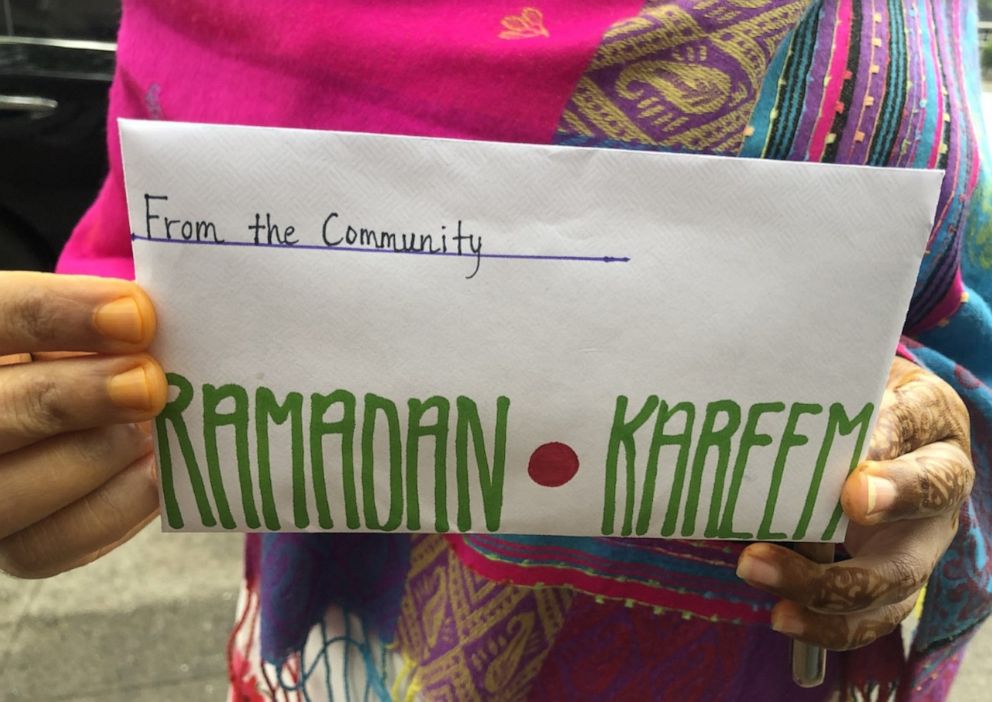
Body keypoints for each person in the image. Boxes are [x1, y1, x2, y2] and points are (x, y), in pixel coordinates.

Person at [0, 1, 988, 699]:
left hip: (778, 666)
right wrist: (59, 423)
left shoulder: (890, 15)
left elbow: (949, 293)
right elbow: (137, 298)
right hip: (350, 662)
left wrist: (919, 450)